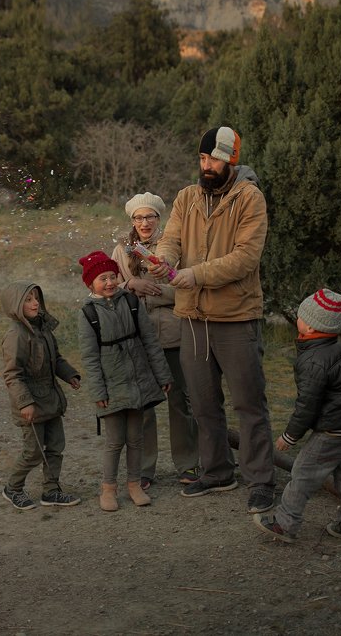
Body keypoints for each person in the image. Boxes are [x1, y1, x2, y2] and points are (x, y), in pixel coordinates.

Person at [148, 126, 276, 515]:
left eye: (215, 159)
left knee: (249, 404)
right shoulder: (187, 197)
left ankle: (261, 481)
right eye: (203, 159)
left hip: (235, 318)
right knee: (203, 402)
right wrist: (164, 260)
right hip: (192, 319)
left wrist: (195, 275)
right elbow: (171, 239)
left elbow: (244, 259)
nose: (207, 166)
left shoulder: (249, 199)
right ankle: (218, 470)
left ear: (230, 160)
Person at [253, 288, 341, 543]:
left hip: (332, 432)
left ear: (310, 328)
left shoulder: (314, 361)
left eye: (301, 316)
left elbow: (307, 406)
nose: (298, 318)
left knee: (303, 473)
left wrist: (290, 436)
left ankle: (285, 524)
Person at [111, 192, 200, 489]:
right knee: (144, 407)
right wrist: (130, 284)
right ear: (132, 221)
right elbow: (105, 289)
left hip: (174, 334)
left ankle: (187, 464)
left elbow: (188, 287)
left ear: (159, 219)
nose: (144, 223)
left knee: (180, 402)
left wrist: (158, 291)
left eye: (150, 217)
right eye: (138, 218)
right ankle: (143, 469)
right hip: (138, 336)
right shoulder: (122, 251)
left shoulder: (174, 247)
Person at [77, 250, 173, 511]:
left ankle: (134, 484)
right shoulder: (88, 314)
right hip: (111, 385)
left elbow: (150, 342)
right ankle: (108, 488)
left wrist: (162, 375)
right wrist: (98, 391)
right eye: (101, 279)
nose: (108, 283)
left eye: (111, 276)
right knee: (114, 440)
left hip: (138, 380)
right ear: (90, 284)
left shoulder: (130, 302)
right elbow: (89, 358)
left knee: (136, 437)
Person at [0, 281, 83, 510]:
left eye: (36, 298)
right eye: (28, 299)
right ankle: (13, 488)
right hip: (31, 404)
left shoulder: (43, 328)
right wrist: (25, 403)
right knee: (33, 452)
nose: (35, 303)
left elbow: (55, 358)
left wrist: (70, 375)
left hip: (51, 399)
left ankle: (51, 490)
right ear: (16, 305)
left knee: (56, 447)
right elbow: (12, 375)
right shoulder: (16, 335)